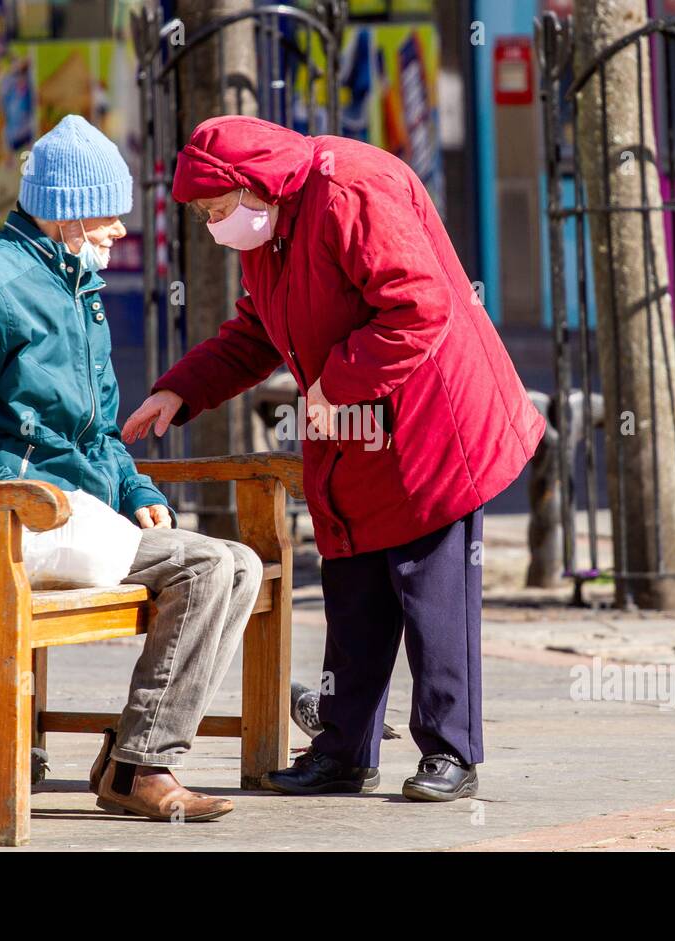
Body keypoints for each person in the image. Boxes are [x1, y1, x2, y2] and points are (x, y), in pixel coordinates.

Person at [123, 116, 545, 802]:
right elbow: (257, 329)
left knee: (430, 590)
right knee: (353, 589)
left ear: (251, 185)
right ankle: (345, 748)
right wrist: (180, 389)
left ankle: (451, 751)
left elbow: (418, 305)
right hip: (349, 429)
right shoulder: (269, 226)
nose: (212, 224)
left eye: (214, 209)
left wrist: (335, 380)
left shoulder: (353, 187)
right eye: (202, 214)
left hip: (428, 421)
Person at [0, 114, 262, 822]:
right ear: (66, 213)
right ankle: (140, 765)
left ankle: (134, 757)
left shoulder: (74, 285)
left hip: (76, 517)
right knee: (210, 567)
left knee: (239, 564)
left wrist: (134, 486)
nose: (121, 231)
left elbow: (96, 433)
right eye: (108, 215)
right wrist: (21, 493)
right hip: (7, 527)